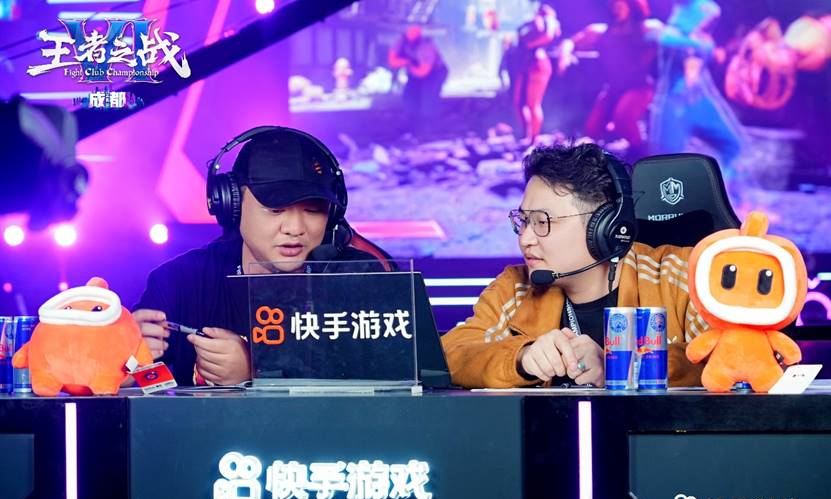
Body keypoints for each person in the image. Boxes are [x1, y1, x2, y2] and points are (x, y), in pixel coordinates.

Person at [441, 143, 708, 389]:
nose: (525, 239)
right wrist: (522, 357)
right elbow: (450, 355)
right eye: (523, 221)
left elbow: (722, 358)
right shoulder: (515, 288)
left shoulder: (683, 275)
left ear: (604, 228)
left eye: (542, 222)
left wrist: (619, 367)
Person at [133, 127, 386, 386]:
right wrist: (129, 363)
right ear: (232, 206)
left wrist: (258, 372)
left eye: (312, 210)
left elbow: (392, 381)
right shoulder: (180, 280)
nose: (295, 228)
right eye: (275, 210)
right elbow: (144, 383)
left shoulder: (361, 278)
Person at [649, 0, 745, 176]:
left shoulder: (703, 40)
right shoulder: (672, 34)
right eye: (706, 20)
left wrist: (704, 45)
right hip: (674, 104)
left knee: (734, 146)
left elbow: (707, 50)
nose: (709, 24)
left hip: (701, 101)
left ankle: (725, 189)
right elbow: (665, 39)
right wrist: (699, 44)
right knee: (666, 159)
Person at [558, 0, 660, 158]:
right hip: (613, 89)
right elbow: (570, 42)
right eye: (615, 5)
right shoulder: (600, 32)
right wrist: (564, 56)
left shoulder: (646, 28)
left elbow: (670, 35)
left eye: (621, 5)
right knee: (592, 130)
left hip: (639, 87)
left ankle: (642, 154)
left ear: (632, 6)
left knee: (623, 118)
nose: (616, 9)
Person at [512, 4, 560, 141]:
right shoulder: (532, 21)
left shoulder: (548, 19)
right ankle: (527, 135)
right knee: (519, 102)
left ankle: (533, 139)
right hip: (525, 64)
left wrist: (531, 44)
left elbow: (548, 35)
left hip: (537, 63)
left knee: (533, 103)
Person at [388, 25, 448, 130]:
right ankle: (411, 123)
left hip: (434, 73)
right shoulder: (401, 42)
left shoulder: (426, 47)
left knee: (428, 97)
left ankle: (430, 126)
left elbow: (423, 72)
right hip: (414, 71)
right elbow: (392, 61)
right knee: (409, 96)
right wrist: (406, 62)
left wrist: (408, 64)